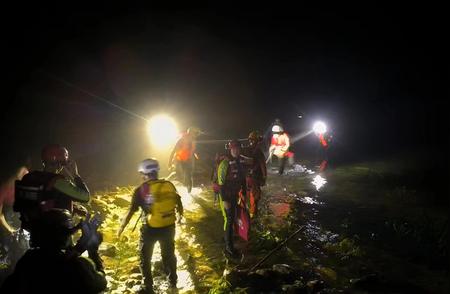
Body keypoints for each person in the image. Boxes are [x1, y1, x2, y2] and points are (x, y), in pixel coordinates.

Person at [0, 208, 106, 294]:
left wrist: (77, 249)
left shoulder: (29, 258)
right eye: (69, 230)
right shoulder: (77, 266)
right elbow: (100, 283)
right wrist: (93, 251)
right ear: (64, 235)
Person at [118, 158, 184, 294]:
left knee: (145, 257)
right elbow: (178, 201)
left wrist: (121, 227)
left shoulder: (141, 190)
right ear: (157, 171)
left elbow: (131, 211)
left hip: (150, 229)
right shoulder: (168, 184)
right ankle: (173, 284)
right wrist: (180, 217)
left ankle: (148, 286)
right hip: (169, 226)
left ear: (143, 173)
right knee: (169, 255)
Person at [14, 144, 90, 232]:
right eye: (63, 163)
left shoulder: (30, 177)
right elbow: (85, 197)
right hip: (57, 237)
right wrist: (76, 175)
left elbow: (44, 199)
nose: (62, 166)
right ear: (58, 162)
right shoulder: (58, 182)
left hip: (36, 233)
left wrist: (73, 207)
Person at [216, 140, 247, 257]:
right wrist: (224, 200)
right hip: (226, 196)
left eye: (238, 148)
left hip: (235, 194)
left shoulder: (239, 161)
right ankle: (229, 248)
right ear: (230, 149)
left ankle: (228, 238)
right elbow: (221, 184)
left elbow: (243, 178)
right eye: (234, 148)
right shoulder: (225, 164)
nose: (237, 150)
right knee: (229, 220)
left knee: (234, 218)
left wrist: (244, 192)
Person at [168, 127, 202, 193]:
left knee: (188, 175)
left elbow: (193, 150)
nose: (195, 136)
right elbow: (174, 151)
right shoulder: (181, 140)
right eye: (194, 134)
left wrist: (196, 156)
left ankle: (189, 190)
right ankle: (174, 182)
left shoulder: (193, 141)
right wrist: (169, 162)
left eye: (195, 134)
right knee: (181, 175)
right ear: (190, 133)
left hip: (188, 161)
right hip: (180, 160)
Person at [243, 131, 267, 218]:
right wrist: (264, 177)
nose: (251, 142)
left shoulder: (246, 149)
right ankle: (253, 213)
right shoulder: (257, 151)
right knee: (254, 195)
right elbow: (262, 165)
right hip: (253, 178)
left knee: (247, 194)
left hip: (248, 177)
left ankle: (246, 212)